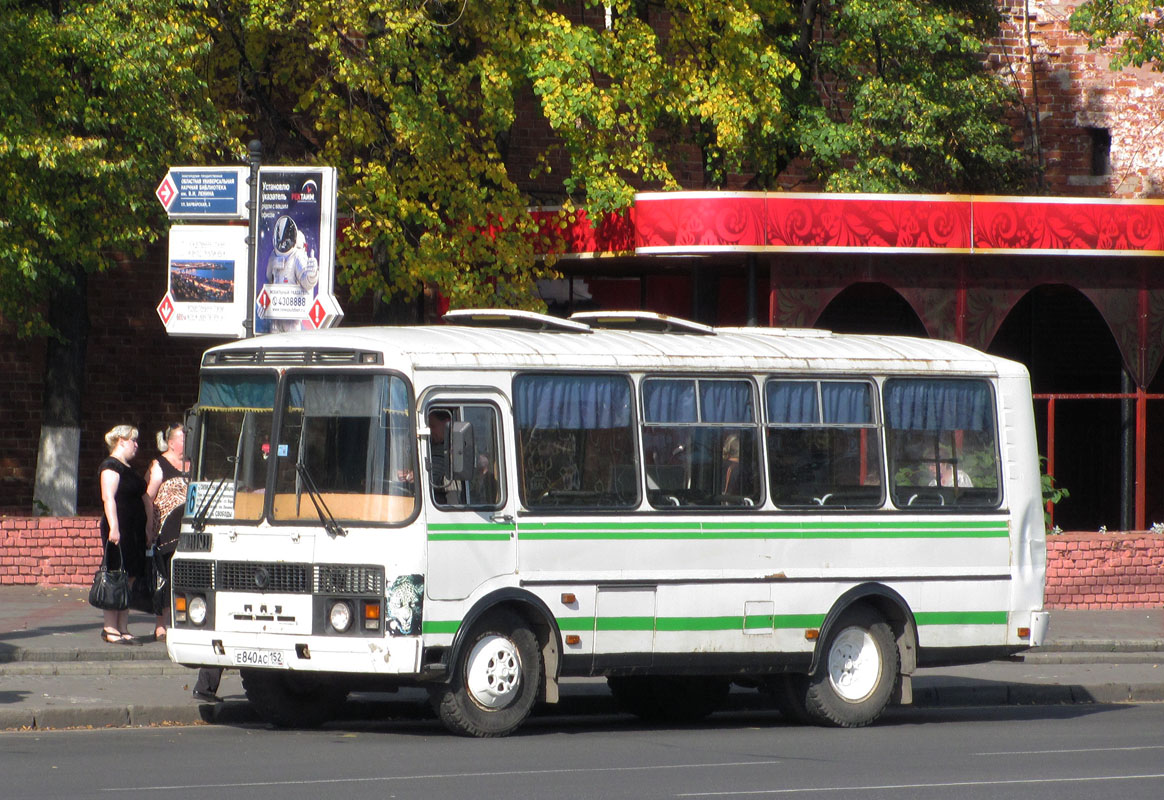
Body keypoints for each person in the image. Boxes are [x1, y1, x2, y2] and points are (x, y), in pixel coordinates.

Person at [98, 425, 152, 645]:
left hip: (135, 530)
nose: (136, 445)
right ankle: (109, 627)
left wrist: (148, 527)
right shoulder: (110, 466)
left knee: (129, 578)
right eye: (133, 441)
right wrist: (114, 527)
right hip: (119, 528)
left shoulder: (128, 467)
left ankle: (123, 627)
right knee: (115, 576)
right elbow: (108, 497)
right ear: (121, 441)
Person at [145, 423, 188, 642]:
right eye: (183, 437)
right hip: (167, 530)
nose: (187, 441)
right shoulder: (159, 464)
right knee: (165, 577)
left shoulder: (195, 464)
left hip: (191, 532)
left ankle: (183, 621)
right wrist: (148, 528)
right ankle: (161, 625)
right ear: (171, 442)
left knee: (185, 577)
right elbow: (148, 498)